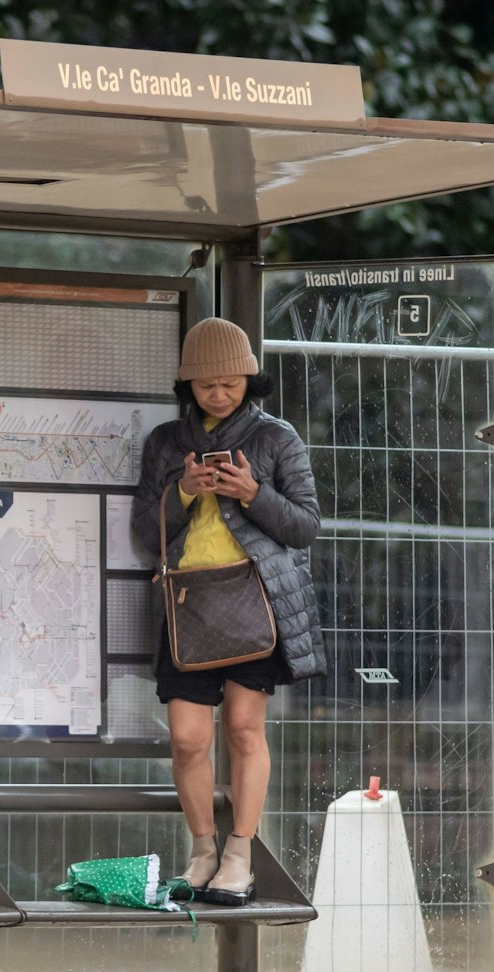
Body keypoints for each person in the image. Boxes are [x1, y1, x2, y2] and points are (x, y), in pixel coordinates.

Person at [132, 317, 324, 905]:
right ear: (188, 385)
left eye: (232, 383)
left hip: (256, 600)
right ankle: (202, 850)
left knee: (244, 729)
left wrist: (251, 493)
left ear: (249, 379)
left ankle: (240, 853)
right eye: (208, 385)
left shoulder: (275, 438)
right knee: (188, 739)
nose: (220, 394)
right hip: (187, 603)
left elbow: (307, 525)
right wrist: (185, 490)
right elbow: (146, 532)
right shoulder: (167, 442)